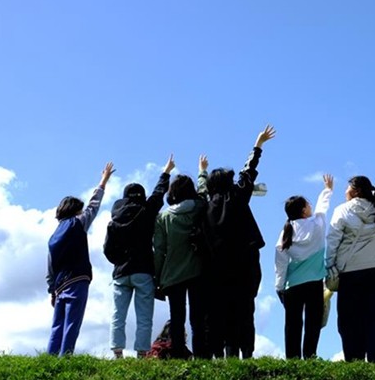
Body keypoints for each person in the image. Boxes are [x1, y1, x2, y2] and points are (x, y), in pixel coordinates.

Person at [326, 136, 375, 362]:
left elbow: (332, 241)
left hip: (349, 272)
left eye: (347, 187)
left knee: (348, 319)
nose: (345, 191)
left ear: (355, 190)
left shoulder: (342, 211)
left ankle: (354, 359)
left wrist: (329, 266)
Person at [198, 125, 276, 358]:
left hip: (216, 269)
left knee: (219, 311)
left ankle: (222, 353)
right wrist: (257, 146)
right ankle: (246, 352)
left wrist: (202, 171)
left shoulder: (204, 207)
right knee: (244, 310)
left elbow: (202, 189)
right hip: (244, 265)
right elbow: (248, 172)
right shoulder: (238, 197)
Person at [105, 155, 174, 359]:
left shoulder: (114, 220)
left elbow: (107, 249)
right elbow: (158, 193)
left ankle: (117, 352)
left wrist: (119, 261)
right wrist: (166, 172)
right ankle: (142, 353)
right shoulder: (146, 211)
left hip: (121, 272)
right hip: (143, 270)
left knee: (118, 314)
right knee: (144, 316)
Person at [46, 162, 114, 356]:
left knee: (57, 325)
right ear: (76, 210)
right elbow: (94, 205)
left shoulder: (54, 235)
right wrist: (103, 181)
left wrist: (52, 290)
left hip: (60, 285)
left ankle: (50, 358)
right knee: (72, 323)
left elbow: (50, 267)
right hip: (77, 280)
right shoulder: (78, 223)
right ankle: (66, 357)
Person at [274, 174, 334, 359]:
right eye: (308, 204)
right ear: (303, 210)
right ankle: (310, 356)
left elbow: (280, 263)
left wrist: (279, 286)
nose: (311, 206)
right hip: (315, 282)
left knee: (292, 324)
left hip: (292, 285)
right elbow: (323, 207)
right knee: (313, 322)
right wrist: (327, 190)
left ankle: (292, 358)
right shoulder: (317, 225)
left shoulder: (286, 232)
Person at [154, 167, 209, 359]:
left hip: (172, 272)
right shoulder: (200, 207)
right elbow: (204, 191)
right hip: (198, 270)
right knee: (198, 317)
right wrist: (202, 173)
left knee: (177, 317)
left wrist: (157, 277)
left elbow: (159, 250)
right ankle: (202, 356)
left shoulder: (163, 217)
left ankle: (177, 353)